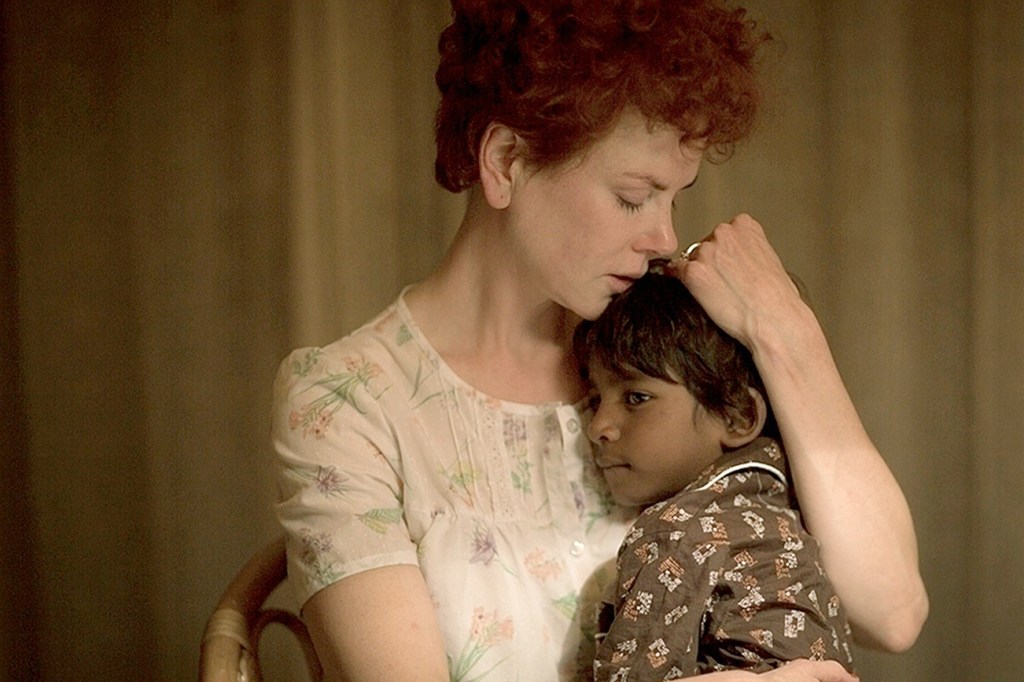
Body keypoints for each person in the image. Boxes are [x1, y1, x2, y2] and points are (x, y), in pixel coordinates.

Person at [271, 1, 928, 680]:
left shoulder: (665, 348)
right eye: (633, 196)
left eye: (675, 198)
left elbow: (892, 612)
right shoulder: (345, 403)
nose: (665, 238)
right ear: (506, 160)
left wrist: (784, 330)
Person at [574, 269, 855, 678]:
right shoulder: (791, 505)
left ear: (738, 415)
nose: (598, 426)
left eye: (636, 397)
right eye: (595, 400)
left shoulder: (673, 532)